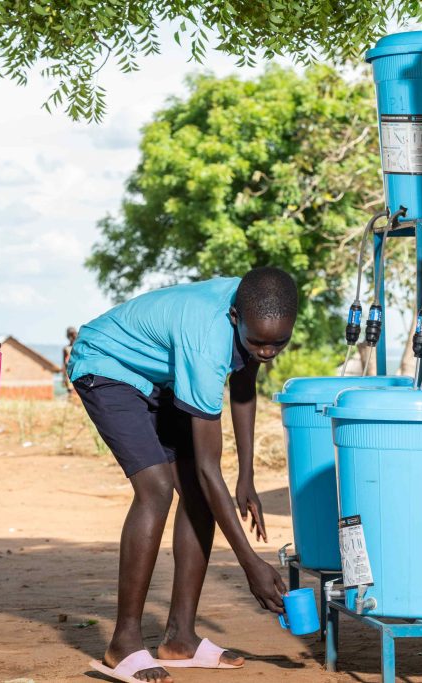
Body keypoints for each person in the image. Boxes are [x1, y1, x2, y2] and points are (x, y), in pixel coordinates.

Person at [68, 267, 297, 683]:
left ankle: (180, 639)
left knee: (197, 494)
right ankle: (123, 644)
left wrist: (247, 477)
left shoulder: (256, 306)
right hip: (107, 364)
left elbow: (244, 385)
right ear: (234, 319)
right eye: (258, 343)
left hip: (162, 378)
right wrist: (250, 565)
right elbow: (210, 467)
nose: (267, 352)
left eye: (277, 343)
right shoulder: (207, 338)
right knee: (156, 489)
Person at [62, 326, 78, 393]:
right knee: (71, 391)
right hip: (69, 373)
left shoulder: (79, 347)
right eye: (70, 335)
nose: (72, 337)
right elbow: (64, 363)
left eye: (73, 335)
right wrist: (64, 377)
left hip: (78, 372)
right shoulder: (66, 348)